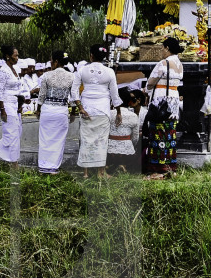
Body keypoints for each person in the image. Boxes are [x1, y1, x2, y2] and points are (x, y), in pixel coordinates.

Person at [72, 44, 118, 178]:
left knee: (86, 139)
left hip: (86, 108)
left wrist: (80, 108)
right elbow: (114, 95)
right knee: (101, 141)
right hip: (103, 109)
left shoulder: (82, 70)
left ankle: (85, 173)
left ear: (91, 55)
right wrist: (119, 111)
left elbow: (74, 91)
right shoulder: (109, 72)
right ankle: (100, 172)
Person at [142, 37, 184, 178]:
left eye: (162, 48)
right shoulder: (179, 64)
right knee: (170, 133)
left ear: (167, 48)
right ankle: (171, 166)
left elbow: (150, 83)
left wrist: (146, 90)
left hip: (161, 102)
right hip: (173, 101)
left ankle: (158, 169)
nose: (161, 51)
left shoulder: (163, 63)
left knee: (158, 133)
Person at [36, 51, 74, 175]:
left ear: (56, 62)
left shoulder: (46, 76)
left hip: (47, 109)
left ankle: (43, 166)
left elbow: (41, 95)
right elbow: (73, 97)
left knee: (45, 139)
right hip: (61, 110)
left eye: (52, 60)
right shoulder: (71, 76)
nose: (51, 63)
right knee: (58, 140)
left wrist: (38, 109)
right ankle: (53, 167)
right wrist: (73, 112)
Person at [0, 44, 25, 168]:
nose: (17, 58)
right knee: (11, 133)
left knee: (17, 131)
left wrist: (21, 103)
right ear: (8, 56)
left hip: (14, 104)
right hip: (6, 104)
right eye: (15, 55)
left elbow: (17, 88)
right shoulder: (3, 70)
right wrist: (2, 110)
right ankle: (14, 163)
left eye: (18, 55)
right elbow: (0, 92)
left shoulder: (14, 70)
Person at [108, 90, 142, 174]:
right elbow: (135, 137)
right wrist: (131, 146)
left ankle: (111, 165)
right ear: (130, 102)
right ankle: (122, 165)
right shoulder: (133, 116)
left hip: (109, 151)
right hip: (127, 152)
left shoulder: (108, 114)